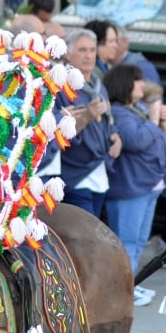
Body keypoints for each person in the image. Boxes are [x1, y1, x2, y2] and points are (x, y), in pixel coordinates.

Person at [104, 63, 166, 305]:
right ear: (125, 84)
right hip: (130, 188)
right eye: (137, 80)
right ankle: (121, 291)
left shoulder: (136, 110)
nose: (142, 84)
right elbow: (135, 140)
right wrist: (153, 121)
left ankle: (130, 285)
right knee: (126, 242)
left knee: (139, 240)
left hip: (147, 186)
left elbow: (160, 139)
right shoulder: (120, 112)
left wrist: (162, 123)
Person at [56, 28, 120, 217]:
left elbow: (109, 120)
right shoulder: (62, 87)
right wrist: (86, 118)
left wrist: (116, 137)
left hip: (99, 171)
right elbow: (59, 134)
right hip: (75, 174)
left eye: (92, 50)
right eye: (82, 50)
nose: (88, 56)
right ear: (68, 53)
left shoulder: (99, 85)